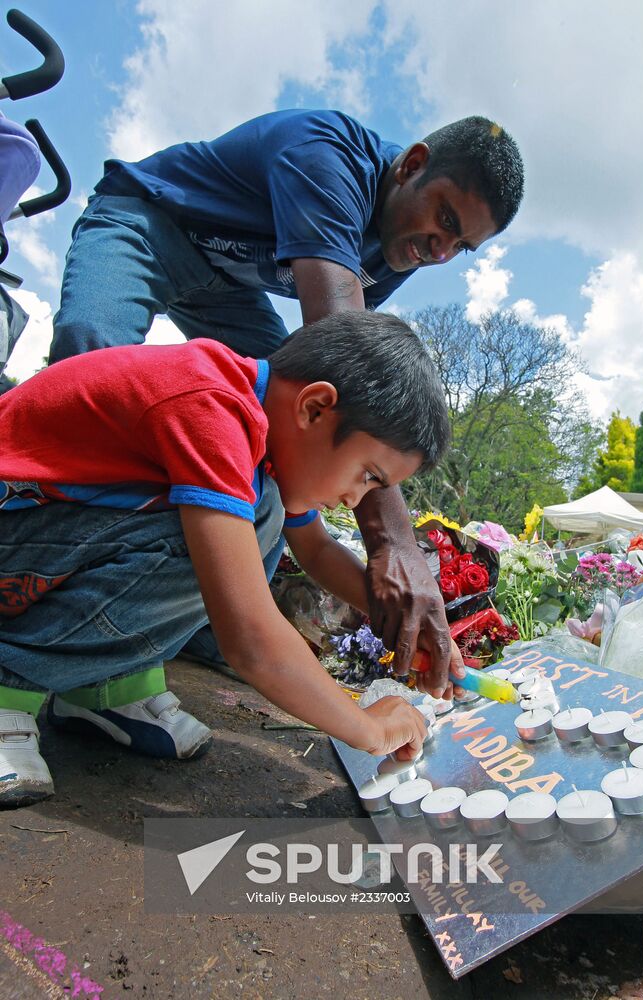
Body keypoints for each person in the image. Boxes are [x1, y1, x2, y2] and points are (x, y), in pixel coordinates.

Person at [48, 108, 524, 696]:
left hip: (226, 292)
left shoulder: (401, 246)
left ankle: (201, 620)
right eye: (443, 218)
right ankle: (47, 591)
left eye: (461, 245)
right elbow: (346, 365)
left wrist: (397, 616)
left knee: (288, 430)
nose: (440, 251)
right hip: (149, 221)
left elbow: (343, 386)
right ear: (413, 165)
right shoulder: (328, 157)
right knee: (89, 356)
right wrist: (393, 542)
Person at [0, 311, 461, 808]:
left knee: (262, 510)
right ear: (315, 408)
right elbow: (250, 639)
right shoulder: (211, 405)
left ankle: (102, 684)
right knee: (246, 519)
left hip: (38, 544)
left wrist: (406, 625)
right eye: (368, 475)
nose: (355, 498)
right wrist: (368, 728)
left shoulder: (259, 432)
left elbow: (320, 552)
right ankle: (10, 681)